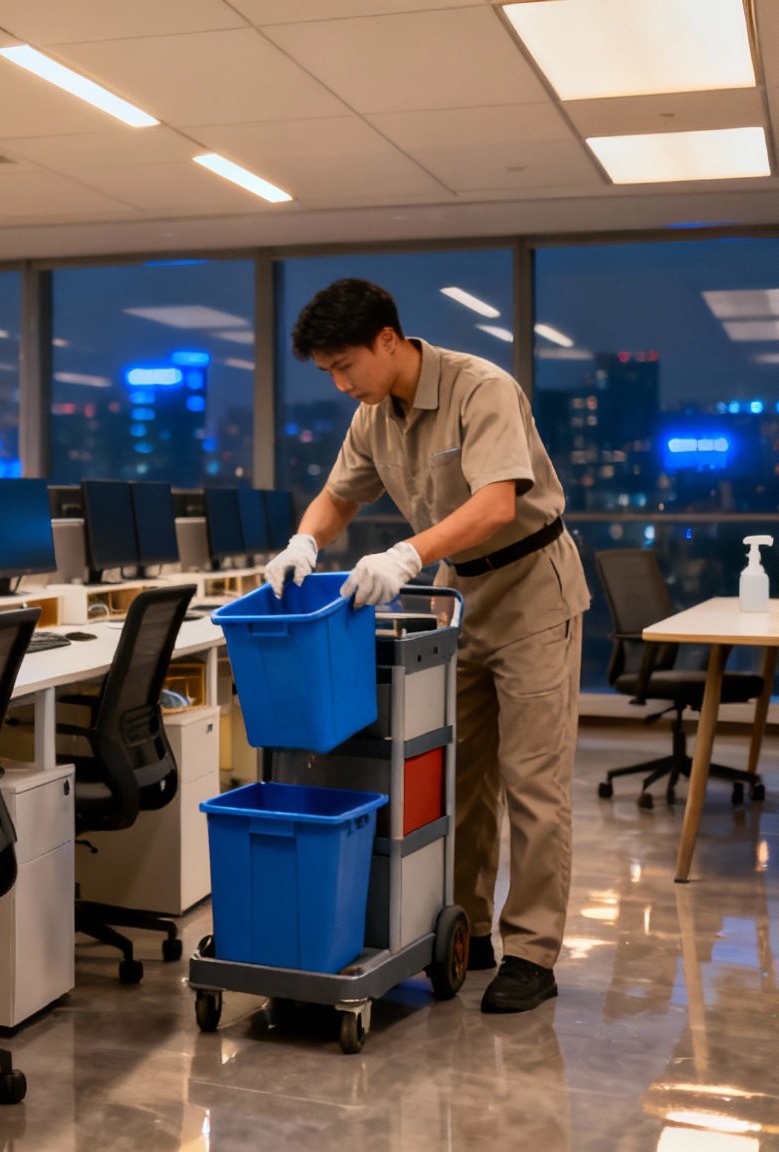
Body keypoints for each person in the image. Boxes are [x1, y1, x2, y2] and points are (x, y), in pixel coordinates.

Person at [267, 279, 589, 1013]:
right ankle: (467, 930)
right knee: (459, 774)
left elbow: (498, 502)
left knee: (531, 782)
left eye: (345, 366)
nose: (342, 384)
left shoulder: (482, 388)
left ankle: (533, 953)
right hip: (460, 598)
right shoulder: (373, 415)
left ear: (389, 340)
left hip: (533, 590)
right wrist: (303, 541)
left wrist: (407, 555)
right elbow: (340, 496)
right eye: (327, 374)